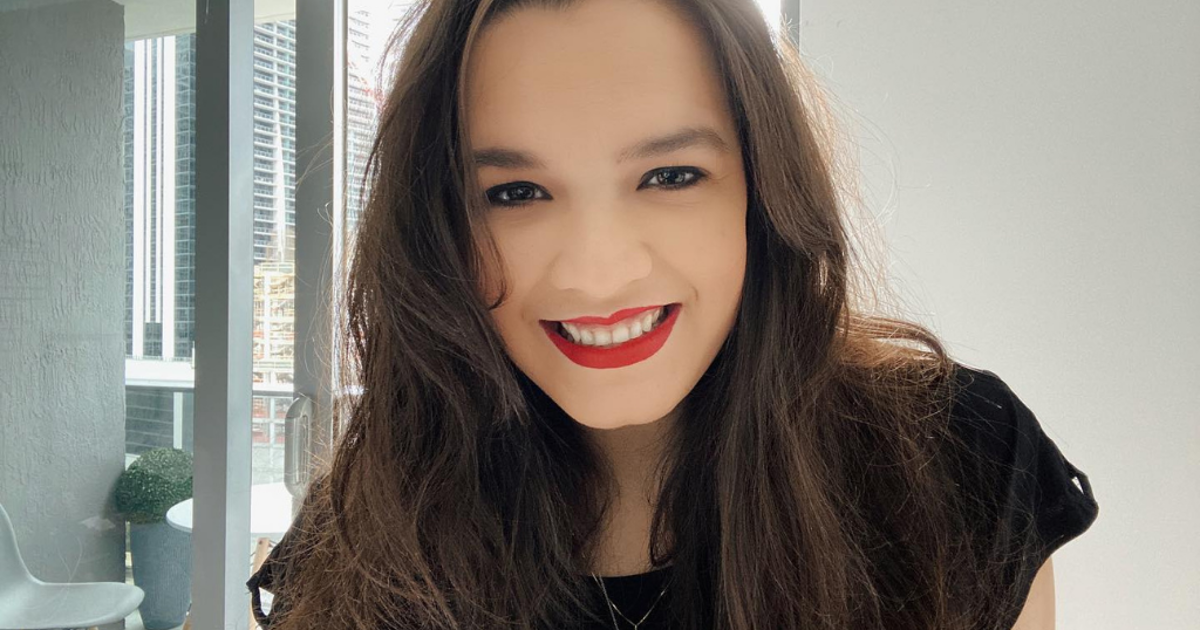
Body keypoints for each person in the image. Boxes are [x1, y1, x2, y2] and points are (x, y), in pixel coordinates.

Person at [247, 0, 1100, 628]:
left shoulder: (951, 464)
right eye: (515, 193)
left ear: (763, 192)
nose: (597, 272)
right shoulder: (367, 536)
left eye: (670, 176)